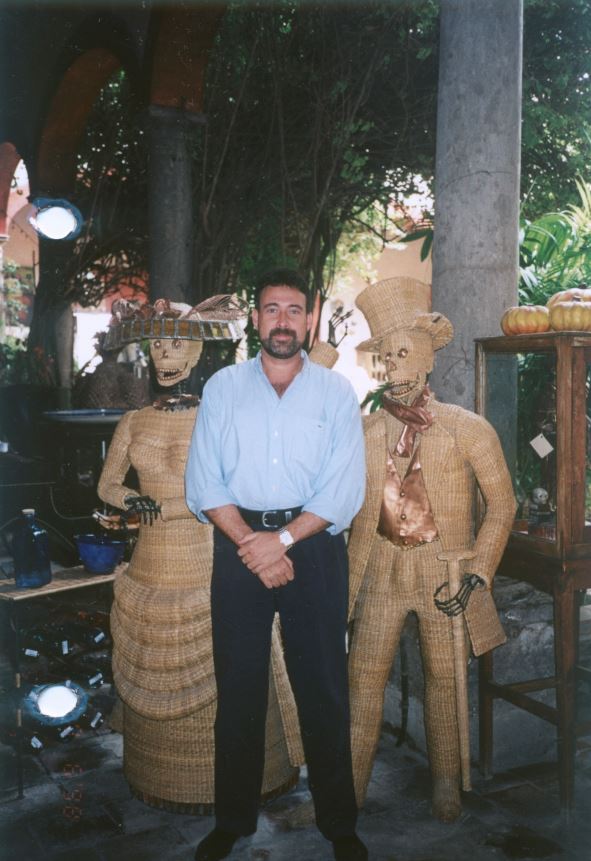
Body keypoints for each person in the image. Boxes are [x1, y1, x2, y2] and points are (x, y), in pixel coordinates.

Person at [185, 269, 368, 861]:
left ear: (309, 319)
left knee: (323, 688)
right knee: (238, 688)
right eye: (272, 309)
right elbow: (204, 481)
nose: (283, 320)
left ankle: (339, 822)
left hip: (312, 547)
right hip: (238, 541)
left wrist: (282, 540)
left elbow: (344, 489)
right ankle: (232, 821)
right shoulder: (221, 388)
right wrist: (253, 543)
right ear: (255, 319)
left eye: (294, 309)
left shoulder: (336, 394)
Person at [97, 296, 302, 812]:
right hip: (152, 563)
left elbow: (245, 487)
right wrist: (131, 499)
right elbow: (107, 485)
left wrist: (177, 506)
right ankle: (158, 774)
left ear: (193, 355)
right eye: (159, 344)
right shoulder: (134, 421)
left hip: (210, 557)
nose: (166, 354)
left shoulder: (220, 414)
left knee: (230, 659)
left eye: (177, 344)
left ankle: (245, 780)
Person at [347, 277, 516, 823]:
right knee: (362, 680)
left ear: (423, 358)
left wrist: (478, 574)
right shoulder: (363, 431)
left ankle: (446, 782)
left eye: (402, 354)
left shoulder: (467, 429)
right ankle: (346, 791)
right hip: (379, 568)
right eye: (383, 357)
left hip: (444, 570)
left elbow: (503, 505)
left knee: (445, 680)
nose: (393, 368)